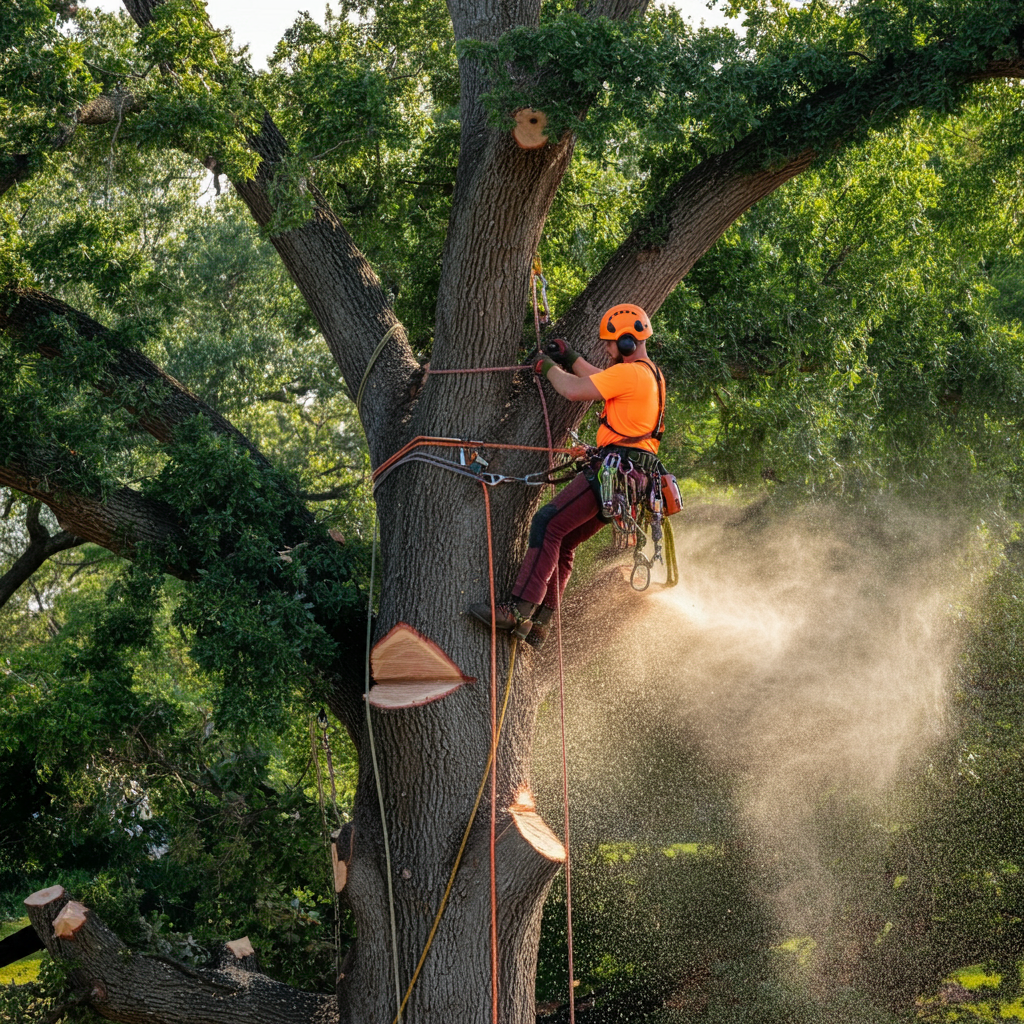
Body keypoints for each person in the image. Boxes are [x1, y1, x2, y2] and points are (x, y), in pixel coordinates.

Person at [468, 304, 666, 648]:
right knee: (565, 540)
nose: (606, 350)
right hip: (630, 480)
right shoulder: (649, 374)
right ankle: (540, 622)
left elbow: (575, 390)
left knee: (547, 523)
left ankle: (517, 610)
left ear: (628, 342)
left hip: (614, 469)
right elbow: (593, 380)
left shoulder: (630, 372)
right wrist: (570, 357)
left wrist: (546, 368)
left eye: (609, 344)